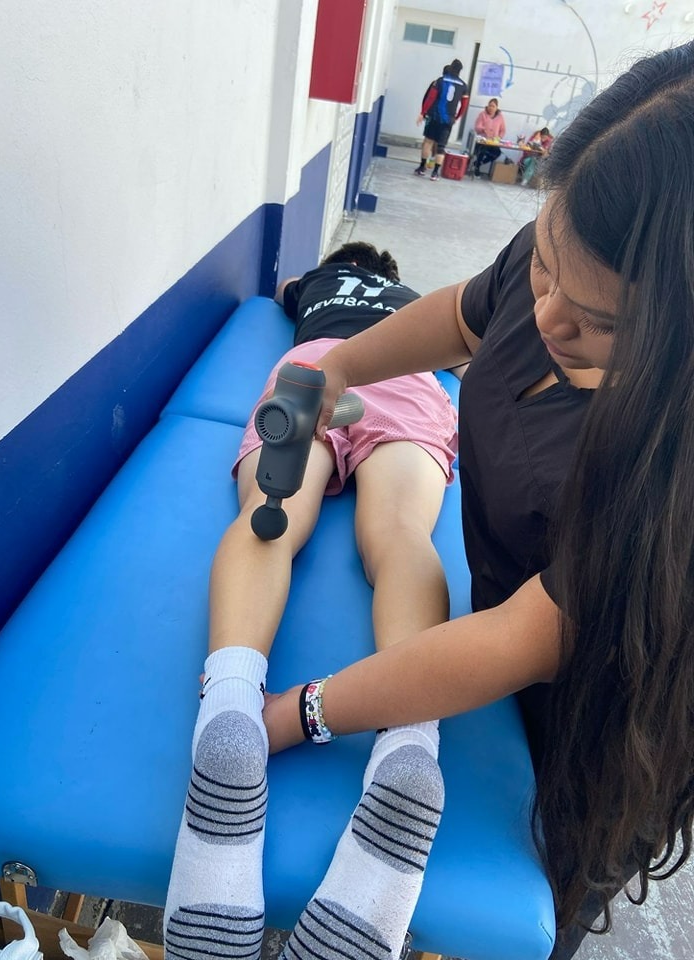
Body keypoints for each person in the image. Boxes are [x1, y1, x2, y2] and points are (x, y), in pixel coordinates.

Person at [263, 40, 694, 960]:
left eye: (600, 322)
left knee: (521, 905)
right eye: (545, 265)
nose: (546, 317)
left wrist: (297, 711)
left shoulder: (673, 473)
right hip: (493, 619)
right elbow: (465, 313)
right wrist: (336, 366)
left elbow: (514, 642)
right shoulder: (569, 258)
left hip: (598, 721)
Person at [163, 242, 458, 960]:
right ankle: (409, 740)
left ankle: (230, 704)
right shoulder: (416, 307)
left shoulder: (315, 285)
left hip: (315, 371)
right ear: (391, 278)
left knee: (271, 516)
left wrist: (308, 288)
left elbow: (282, 292)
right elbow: (466, 344)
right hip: (408, 374)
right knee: (400, 536)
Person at [414, 59, 469, 180]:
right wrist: (457, 117)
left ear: (451, 67)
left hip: (434, 116)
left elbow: (431, 97)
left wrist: (423, 112)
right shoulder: (463, 86)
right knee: (441, 147)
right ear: (460, 70)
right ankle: (435, 173)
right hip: (448, 119)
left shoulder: (440, 81)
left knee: (428, 142)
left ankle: (422, 168)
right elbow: (464, 105)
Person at [471, 97, 506, 176]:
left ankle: (478, 163)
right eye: (490, 105)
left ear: (496, 108)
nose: (491, 108)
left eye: (493, 106)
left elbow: (503, 130)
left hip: (493, 142)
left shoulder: (500, 117)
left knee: (497, 153)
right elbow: (477, 127)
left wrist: (499, 137)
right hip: (482, 141)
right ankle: (477, 168)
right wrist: (483, 129)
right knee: (482, 151)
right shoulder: (482, 114)